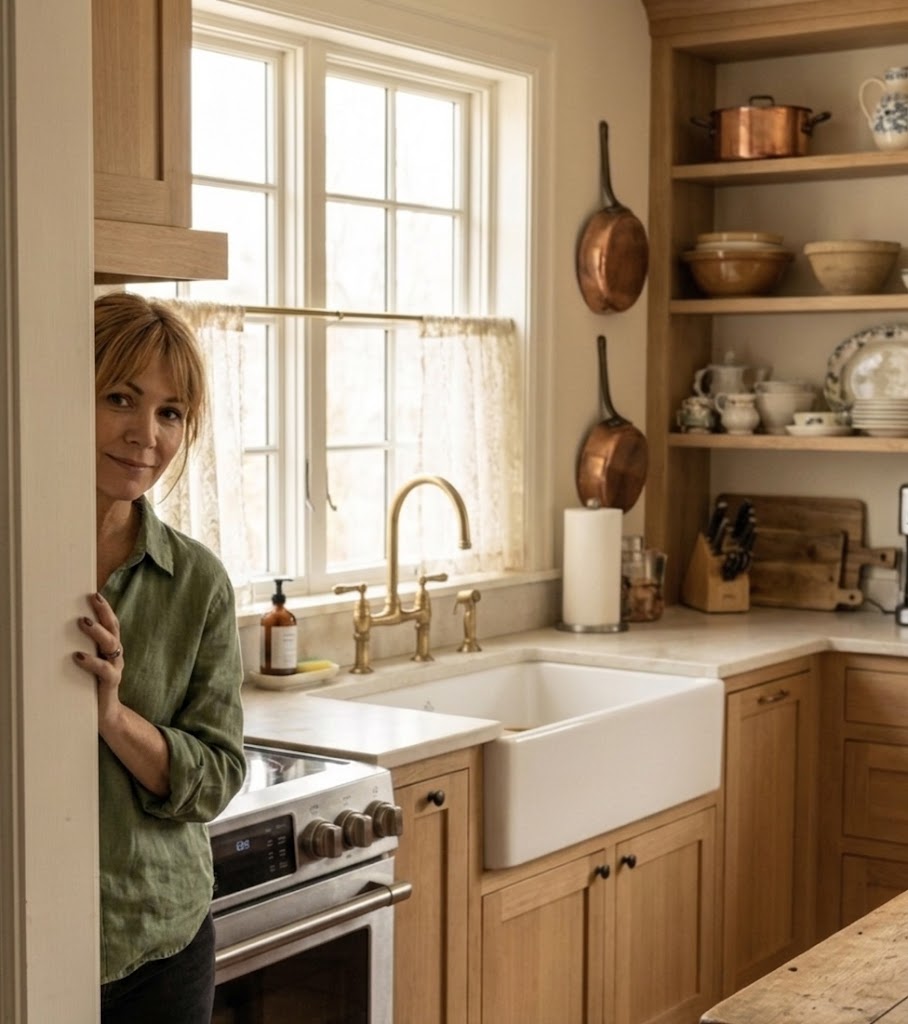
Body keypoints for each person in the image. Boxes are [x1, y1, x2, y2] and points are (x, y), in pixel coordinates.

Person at [73, 292, 246, 1024]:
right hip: (33, 936)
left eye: (171, 413)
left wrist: (113, 718)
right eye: (121, 397)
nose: (147, 434)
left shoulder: (198, 583)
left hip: (160, 946)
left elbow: (219, 775)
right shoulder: (20, 564)